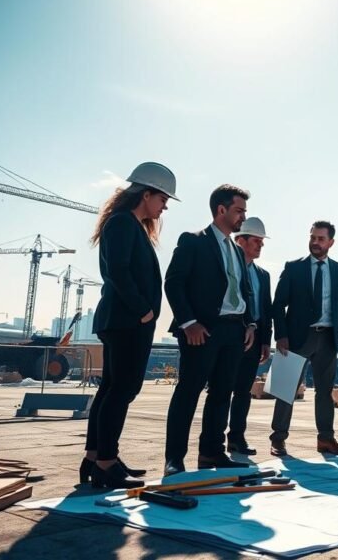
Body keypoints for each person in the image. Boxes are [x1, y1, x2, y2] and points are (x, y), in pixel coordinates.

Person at [83, 162, 177, 489]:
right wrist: (144, 312)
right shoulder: (123, 223)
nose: (165, 206)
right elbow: (119, 272)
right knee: (122, 390)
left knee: (111, 389)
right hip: (127, 321)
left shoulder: (129, 224)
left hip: (124, 320)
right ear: (146, 193)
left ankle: (97, 457)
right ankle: (105, 462)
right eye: (163, 199)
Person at [162, 185, 257, 476]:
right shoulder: (193, 241)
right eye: (239, 210)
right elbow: (174, 282)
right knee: (188, 393)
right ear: (221, 210)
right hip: (202, 331)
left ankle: (211, 453)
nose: (243, 216)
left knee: (222, 394)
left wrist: (250, 323)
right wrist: (188, 322)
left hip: (233, 332)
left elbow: (244, 290)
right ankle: (174, 459)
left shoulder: (237, 251)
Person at [270, 220, 338, 457]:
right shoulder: (293, 268)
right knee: (285, 388)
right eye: (312, 238)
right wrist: (282, 335)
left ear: (331, 242)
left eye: (320, 239)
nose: (315, 243)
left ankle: (326, 439)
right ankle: (278, 439)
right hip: (297, 338)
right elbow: (278, 305)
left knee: (325, 392)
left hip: (328, 338)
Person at [226, 217, 273, 456]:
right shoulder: (228, 269)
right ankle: (214, 441)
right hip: (230, 337)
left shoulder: (263, 275)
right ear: (240, 240)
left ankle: (236, 438)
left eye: (262, 242)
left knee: (243, 392)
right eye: (256, 241)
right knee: (222, 390)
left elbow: (266, 310)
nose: (260, 246)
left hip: (254, 343)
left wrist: (266, 341)